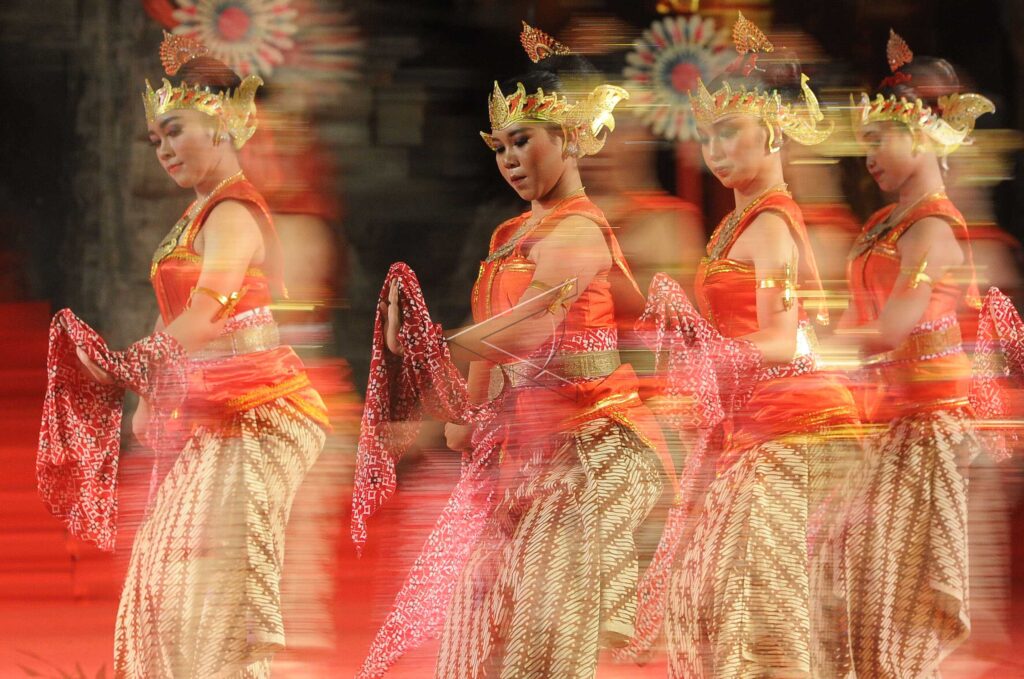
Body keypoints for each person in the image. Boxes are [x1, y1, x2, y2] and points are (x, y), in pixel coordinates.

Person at [352, 22, 669, 679]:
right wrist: (467, 417)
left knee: (544, 633)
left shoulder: (579, 232)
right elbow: (488, 348)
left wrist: (428, 342)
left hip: (590, 448)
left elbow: (526, 335)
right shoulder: (507, 235)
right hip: (525, 446)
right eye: (500, 146)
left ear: (571, 138)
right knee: (477, 621)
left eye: (523, 140)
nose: (509, 159)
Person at [68, 32, 329, 678]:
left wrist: (134, 365)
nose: (163, 150)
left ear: (223, 124)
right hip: (216, 412)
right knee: (165, 571)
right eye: (155, 139)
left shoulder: (233, 213)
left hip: (259, 411)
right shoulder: (195, 217)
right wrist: (149, 390)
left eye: (175, 131)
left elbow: (210, 311)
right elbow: (174, 309)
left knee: (218, 591)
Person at [643, 13, 861, 677]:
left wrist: (708, 358)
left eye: (730, 131)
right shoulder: (738, 222)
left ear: (772, 131)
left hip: (792, 427)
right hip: (758, 426)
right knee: (720, 596)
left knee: (756, 605)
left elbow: (783, 339)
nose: (716, 150)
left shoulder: (767, 225)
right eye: (708, 135)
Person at [838, 30, 994, 676]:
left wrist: (801, 347)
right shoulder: (882, 225)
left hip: (927, 435)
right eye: (866, 140)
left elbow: (890, 329)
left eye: (881, 138)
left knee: (896, 605)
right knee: (860, 593)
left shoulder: (933, 229)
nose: (869, 154)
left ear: (924, 136)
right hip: (881, 424)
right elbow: (858, 323)